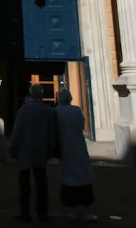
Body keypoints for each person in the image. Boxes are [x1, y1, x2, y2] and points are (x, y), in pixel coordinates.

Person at [9, 84, 55, 223]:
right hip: (41, 151)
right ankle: (43, 213)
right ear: (42, 94)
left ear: (31, 94)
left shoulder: (24, 110)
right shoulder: (48, 110)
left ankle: (25, 212)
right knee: (41, 183)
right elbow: (52, 133)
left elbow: (17, 129)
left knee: (24, 183)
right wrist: (51, 149)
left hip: (25, 150)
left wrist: (13, 147)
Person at [54, 88, 97, 223]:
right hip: (78, 147)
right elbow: (82, 125)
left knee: (68, 178)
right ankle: (83, 210)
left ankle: (71, 210)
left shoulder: (55, 112)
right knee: (83, 179)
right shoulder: (77, 110)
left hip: (65, 148)